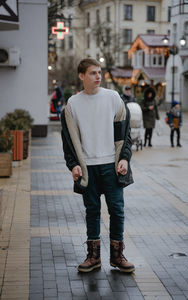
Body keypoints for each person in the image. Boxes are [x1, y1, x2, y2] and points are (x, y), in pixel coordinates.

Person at [61, 58, 135, 273]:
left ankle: (117, 255)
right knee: (92, 211)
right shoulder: (73, 104)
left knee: (117, 211)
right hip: (88, 167)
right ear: (81, 76)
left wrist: (124, 158)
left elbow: (126, 134)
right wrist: (73, 165)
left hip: (111, 165)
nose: (98, 76)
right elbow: (67, 140)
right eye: (92, 73)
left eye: (99, 72)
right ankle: (93, 257)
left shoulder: (113, 98)